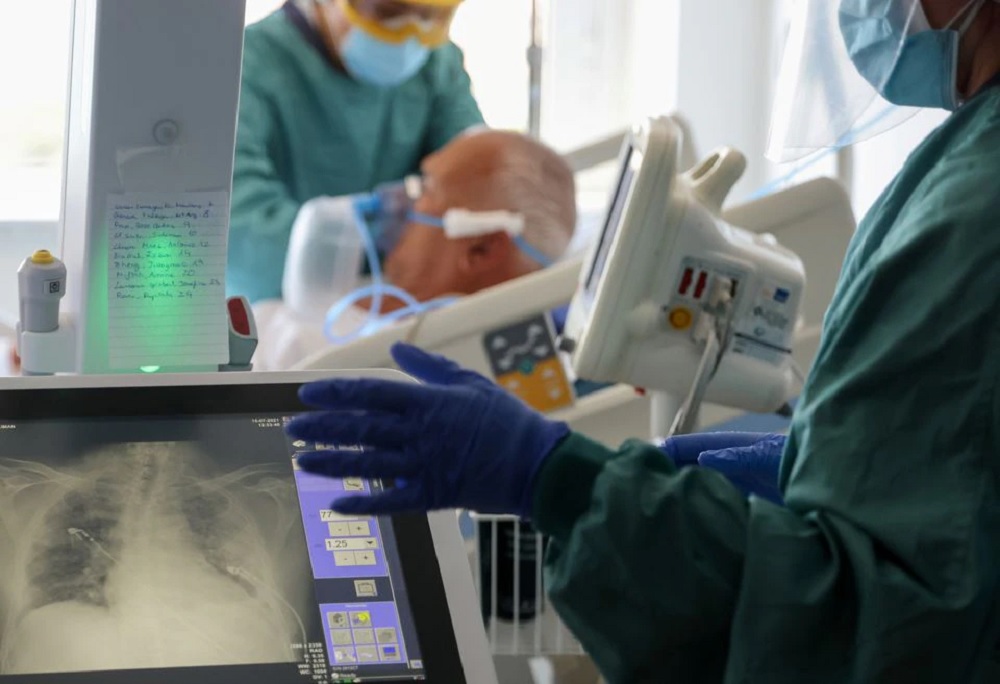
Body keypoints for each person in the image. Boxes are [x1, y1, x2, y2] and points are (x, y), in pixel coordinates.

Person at [286, 0, 1000, 681]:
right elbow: (950, 484)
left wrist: (554, 479)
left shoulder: (971, 217)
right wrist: (805, 464)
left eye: (422, 199)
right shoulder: (966, 166)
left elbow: (860, 629)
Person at [228, 0, 484, 304]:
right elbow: (242, 245)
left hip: (407, 308)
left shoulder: (437, 63)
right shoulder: (245, 65)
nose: (410, 33)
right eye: (387, 13)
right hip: (283, 312)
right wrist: (366, 234)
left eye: (431, 16)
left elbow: (483, 181)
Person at [252, 130, 576, 370]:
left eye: (427, 189)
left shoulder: (401, 359)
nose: (398, 201)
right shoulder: (380, 301)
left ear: (481, 249)